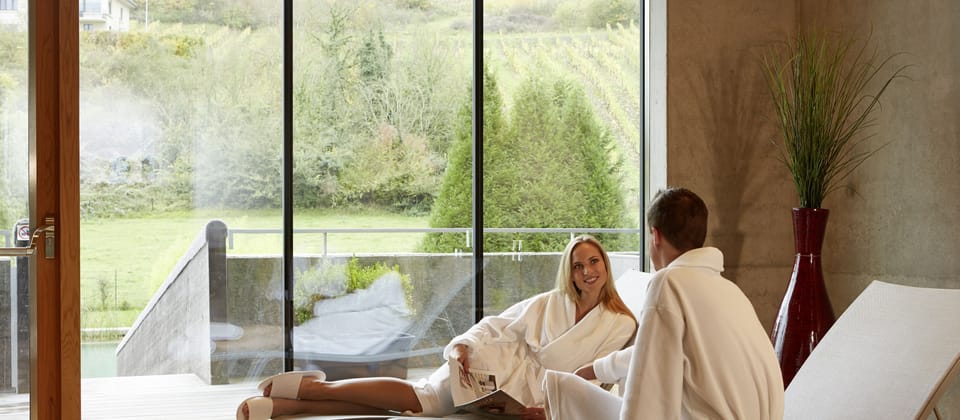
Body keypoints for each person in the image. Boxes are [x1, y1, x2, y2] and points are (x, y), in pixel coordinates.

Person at [237, 235, 638, 420]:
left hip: (531, 400)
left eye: (594, 262)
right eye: (578, 265)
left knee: (414, 407)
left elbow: (599, 381)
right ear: (569, 272)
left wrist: (551, 410)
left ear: (606, 265)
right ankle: (314, 390)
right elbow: (497, 325)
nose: (587, 271)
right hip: (489, 368)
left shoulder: (620, 323)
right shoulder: (551, 301)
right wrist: (463, 346)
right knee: (424, 397)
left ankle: (293, 406)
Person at [542, 187, 784, 420]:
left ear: (655, 236)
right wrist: (597, 368)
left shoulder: (669, 282)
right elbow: (650, 350)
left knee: (560, 386)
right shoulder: (730, 291)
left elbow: (648, 389)